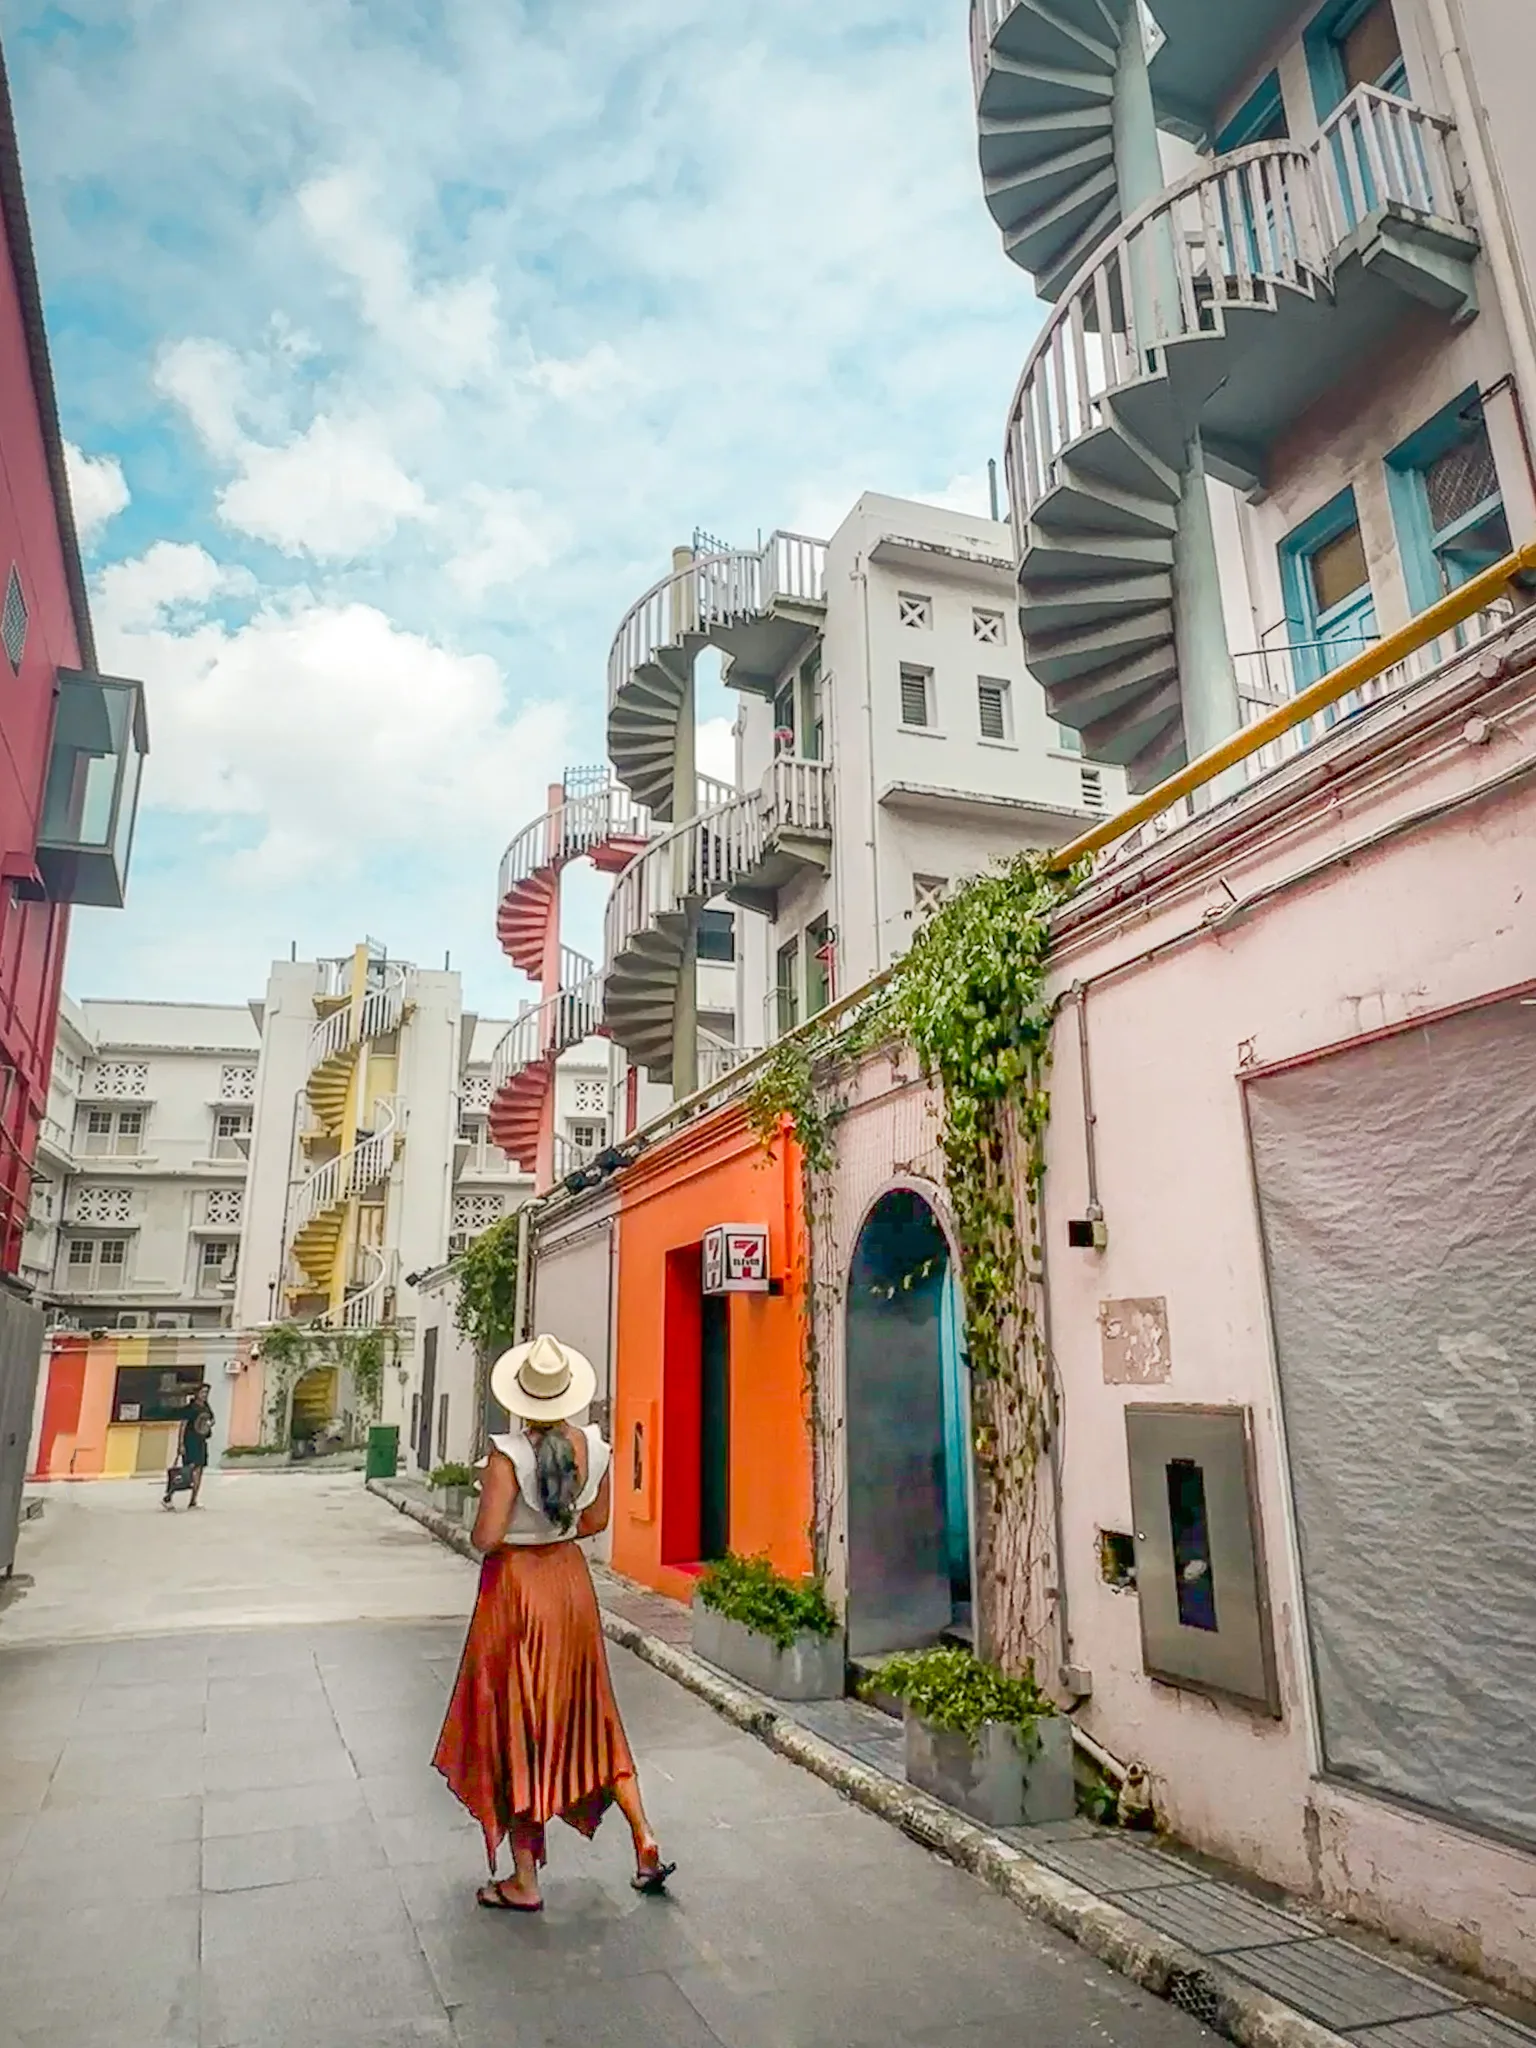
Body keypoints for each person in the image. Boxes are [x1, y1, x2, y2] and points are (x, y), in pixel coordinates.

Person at [433, 1334, 674, 1913]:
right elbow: (594, 1521)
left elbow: (486, 1536)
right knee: (594, 1714)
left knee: (517, 1722)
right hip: (570, 1586)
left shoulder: (506, 1457)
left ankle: (524, 1880)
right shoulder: (597, 1448)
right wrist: (556, 1530)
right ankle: (643, 1837)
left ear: (521, 1397)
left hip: (517, 1589)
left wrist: (512, 1524)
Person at [163, 1382, 214, 1510]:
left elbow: (210, 1419)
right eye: (202, 1392)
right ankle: (168, 1497)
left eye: (206, 1393)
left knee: (199, 1470)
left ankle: (193, 1501)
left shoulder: (206, 1406)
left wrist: (209, 1423)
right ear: (196, 1393)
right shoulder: (190, 1408)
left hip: (201, 1441)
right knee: (187, 1472)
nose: (205, 1395)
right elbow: (183, 1424)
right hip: (190, 1442)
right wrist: (180, 1444)